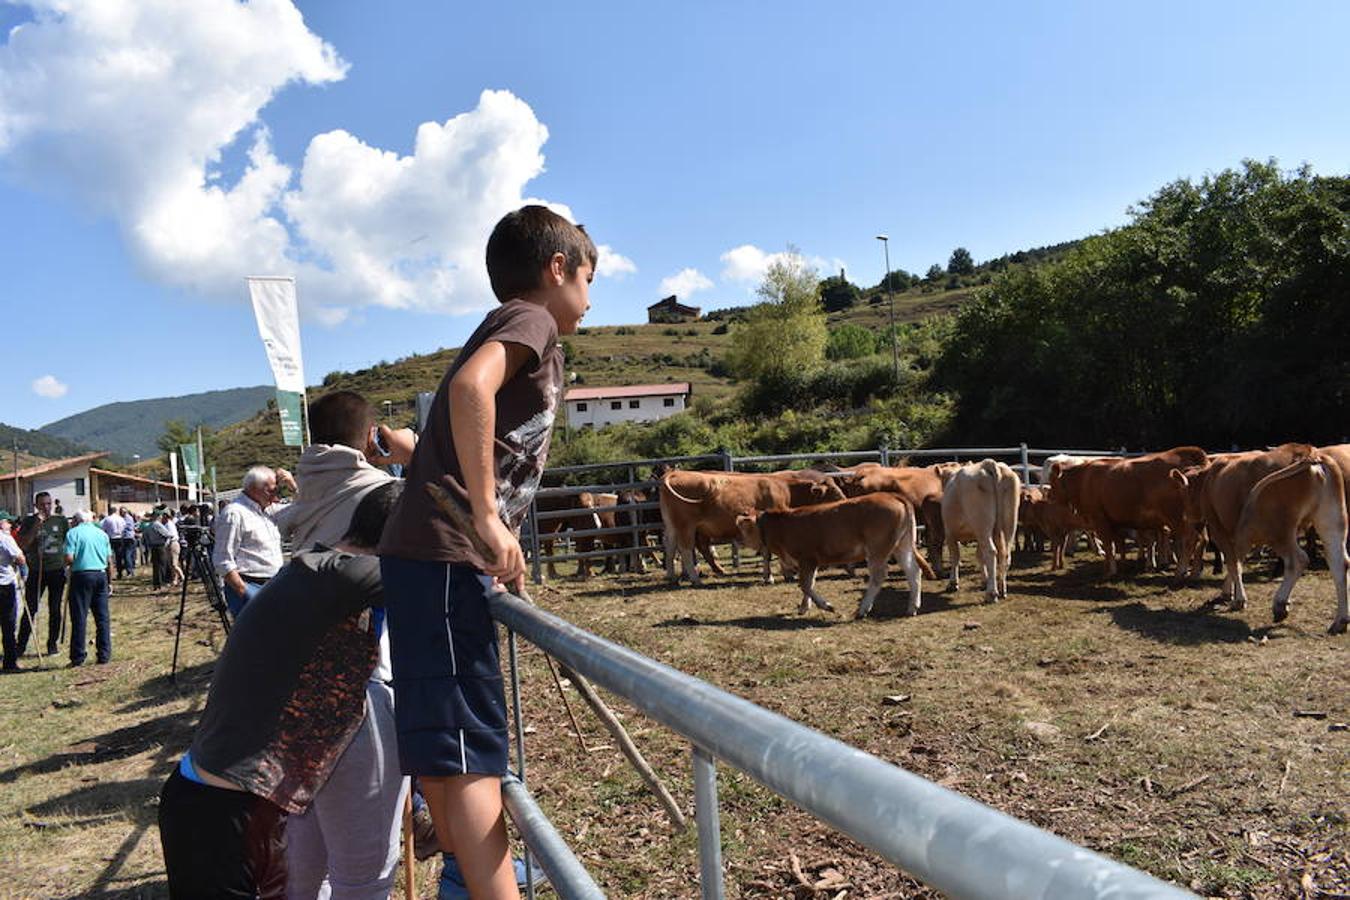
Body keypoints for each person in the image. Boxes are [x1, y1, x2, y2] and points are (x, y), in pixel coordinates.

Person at [378, 205, 594, 899]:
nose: (591, 299)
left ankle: (470, 882)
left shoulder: (514, 322)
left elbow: (460, 413)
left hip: (426, 558)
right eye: (589, 277)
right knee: (466, 749)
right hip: (445, 557)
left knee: (446, 750)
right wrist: (487, 518)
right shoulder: (531, 319)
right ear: (556, 269)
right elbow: (473, 389)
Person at [157, 482, 402, 899]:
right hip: (223, 819)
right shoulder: (346, 576)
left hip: (213, 806)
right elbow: (437, 577)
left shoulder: (317, 569)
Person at [271, 390, 417, 900]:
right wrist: (412, 458)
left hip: (295, 683)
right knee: (365, 874)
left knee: (305, 862)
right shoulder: (380, 491)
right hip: (359, 684)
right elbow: (451, 527)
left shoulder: (307, 489)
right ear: (371, 433)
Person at [212, 466, 294, 617]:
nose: (275, 497)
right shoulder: (234, 514)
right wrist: (244, 591)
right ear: (255, 489)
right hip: (249, 585)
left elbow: (304, 509)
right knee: (256, 637)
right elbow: (222, 560)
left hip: (272, 583)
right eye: (272, 491)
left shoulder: (268, 510)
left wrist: (293, 486)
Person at [15, 491, 69, 659]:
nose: (46, 507)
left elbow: (68, 542)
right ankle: (20, 646)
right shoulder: (29, 521)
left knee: (55, 609)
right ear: (36, 505)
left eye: (48, 503)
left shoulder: (60, 520)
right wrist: (37, 525)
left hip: (56, 570)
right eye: (42, 504)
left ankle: (52, 644)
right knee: (31, 608)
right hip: (37, 571)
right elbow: (23, 544)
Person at [63, 509, 114, 666]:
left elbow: (69, 558)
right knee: (102, 618)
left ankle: (78, 656)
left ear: (77, 520)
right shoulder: (102, 534)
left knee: (79, 617)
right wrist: (110, 581)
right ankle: (104, 654)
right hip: (100, 575)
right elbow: (109, 561)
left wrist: (70, 562)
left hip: (81, 575)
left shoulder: (73, 533)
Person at [0, 511, 27, 672]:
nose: (10, 525)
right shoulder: (5, 538)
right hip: (4, 585)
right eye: (8, 522)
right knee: (8, 624)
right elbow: (20, 558)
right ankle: (10, 662)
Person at [101, 507, 127, 579]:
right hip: (119, 537)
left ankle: (109, 573)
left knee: (109, 556)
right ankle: (119, 573)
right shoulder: (121, 519)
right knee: (119, 556)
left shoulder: (107, 519)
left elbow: (103, 528)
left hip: (111, 538)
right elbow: (124, 527)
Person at [120, 508, 138, 578]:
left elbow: (126, 527)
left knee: (127, 555)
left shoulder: (127, 518)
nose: (120, 513)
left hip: (128, 537)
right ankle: (131, 569)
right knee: (131, 554)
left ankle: (129, 571)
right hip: (130, 537)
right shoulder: (128, 518)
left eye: (121, 512)